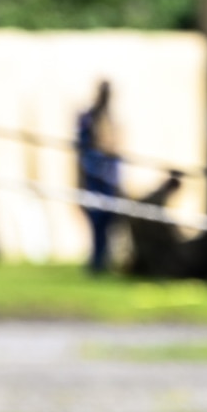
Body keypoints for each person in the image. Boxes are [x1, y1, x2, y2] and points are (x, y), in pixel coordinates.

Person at [75, 80, 122, 274]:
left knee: (108, 223)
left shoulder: (109, 118)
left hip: (109, 180)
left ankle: (103, 259)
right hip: (95, 179)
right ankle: (97, 261)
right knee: (97, 221)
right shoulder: (89, 118)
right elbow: (84, 150)